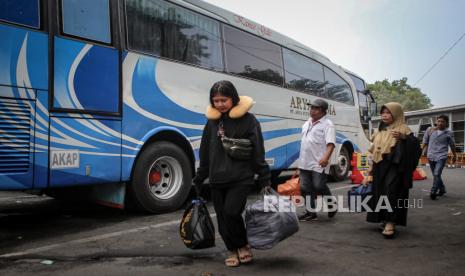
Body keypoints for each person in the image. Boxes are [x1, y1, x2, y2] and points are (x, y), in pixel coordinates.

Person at [192, 80, 271, 267]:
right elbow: (205, 151)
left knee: (231, 212)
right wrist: (200, 176)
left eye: (223, 100)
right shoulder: (211, 122)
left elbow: (258, 149)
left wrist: (264, 176)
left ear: (233, 99)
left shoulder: (249, 120)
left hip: (241, 177)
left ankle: (243, 245)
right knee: (221, 216)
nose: (219, 104)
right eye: (215, 100)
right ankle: (232, 249)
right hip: (217, 178)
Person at [365, 102, 421, 238]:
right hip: (380, 167)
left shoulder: (404, 129)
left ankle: (391, 222)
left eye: (388, 112)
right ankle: (384, 218)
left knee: (391, 192)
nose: (384, 115)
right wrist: (369, 172)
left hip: (396, 167)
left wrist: (404, 138)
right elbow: (375, 153)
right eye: (382, 112)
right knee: (380, 193)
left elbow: (416, 148)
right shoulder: (380, 130)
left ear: (396, 114)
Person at [297, 99, 337, 221]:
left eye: (316, 109)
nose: (312, 111)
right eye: (311, 108)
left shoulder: (328, 124)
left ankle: (332, 205)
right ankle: (311, 212)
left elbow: (331, 144)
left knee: (319, 186)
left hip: (318, 162)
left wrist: (325, 157)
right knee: (304, 188)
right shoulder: (307, 123)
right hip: (304, 162)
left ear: (323, 111)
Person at [422, 115, 457, 200]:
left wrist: (454, 155)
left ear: (446, 123)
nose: (440, 123)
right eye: (439, 121)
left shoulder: (449, 133)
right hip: (431, 156)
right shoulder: (430, 130)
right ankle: (442, 189)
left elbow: (452, 145)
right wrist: (421, 152)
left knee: (437, 173)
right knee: (436, 175)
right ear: (436, 121)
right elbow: (425, 142)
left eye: (442, 121)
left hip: (441, 156)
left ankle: (433, 192)